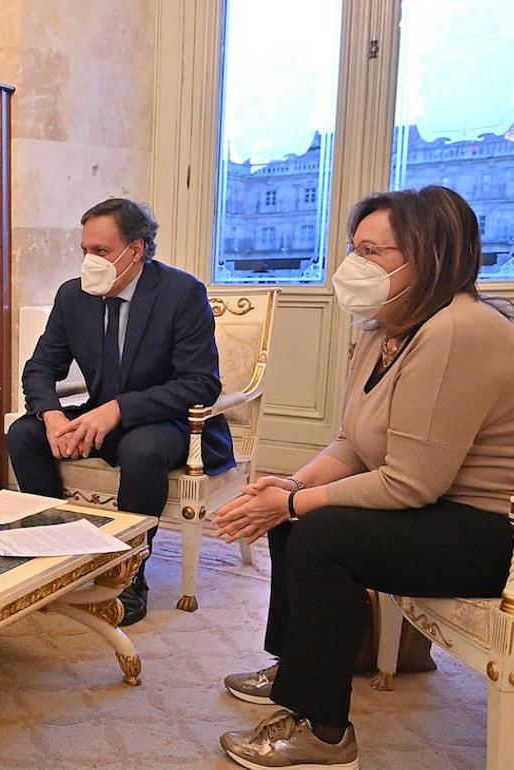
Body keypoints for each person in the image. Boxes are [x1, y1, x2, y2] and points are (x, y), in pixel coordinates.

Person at [214, 186, 514, 770]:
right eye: (355, 248)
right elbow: (354, 442)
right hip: (432, 507)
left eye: (372, 252)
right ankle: (298, 669)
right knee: (295, 509)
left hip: (487, 532)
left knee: (322, 534)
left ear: (428, 256)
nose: (354, 264)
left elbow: (410, 483)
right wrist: (290, 488)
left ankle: (325, 733)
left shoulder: (459, 329)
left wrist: (296, 505)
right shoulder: (385, 328)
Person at [7, 198, 235, 625]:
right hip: (102, 415)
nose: (89, 261)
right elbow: (40, 368)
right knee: (24, 434)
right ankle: (58, 554)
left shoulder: (182, 293)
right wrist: (52, 415)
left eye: (101, 251)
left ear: (136, 250)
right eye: (85, 250)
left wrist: (119, 409)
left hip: (170, 421)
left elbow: (201, 383)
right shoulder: (73, 296)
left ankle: (128, 574)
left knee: (141, 449)